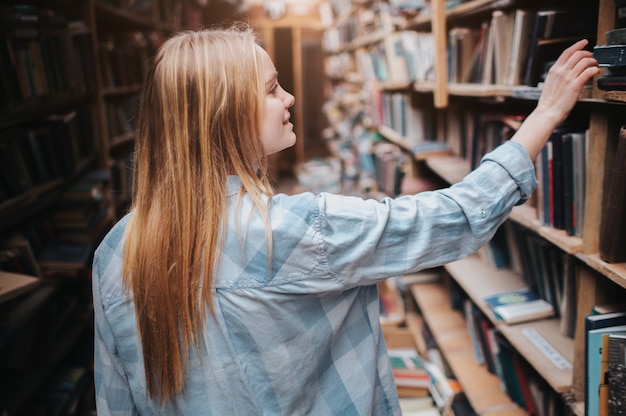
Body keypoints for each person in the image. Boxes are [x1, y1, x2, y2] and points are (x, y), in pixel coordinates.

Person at [92, 23, 599, 415]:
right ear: (224, 112)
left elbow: (115, 401)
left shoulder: (115, 252)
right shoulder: (295, 231)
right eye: (271, 90)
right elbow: (456, 216)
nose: (289, 98)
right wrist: (545, 115)